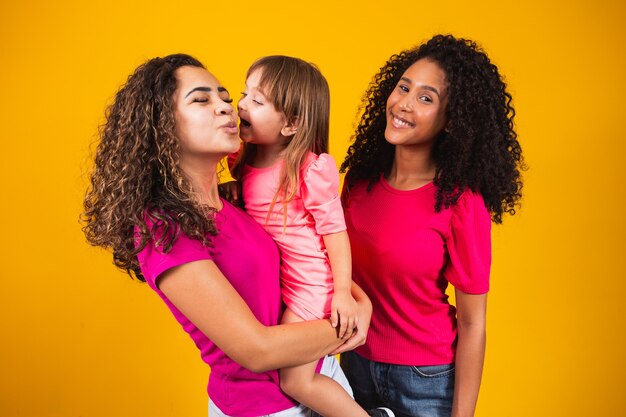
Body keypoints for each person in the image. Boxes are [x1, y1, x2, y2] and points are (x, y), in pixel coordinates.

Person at [81, 53, 374, 417]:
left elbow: (311, 251)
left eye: (224, 96)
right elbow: (257, 351)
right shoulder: (163, 229)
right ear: (162, 125)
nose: (227, 107)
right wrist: (352, 323)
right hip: (265, 409)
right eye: (201, 100)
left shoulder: (235, 199)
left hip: (322, 376)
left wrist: (356, 300)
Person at [340, 34, 525, 417]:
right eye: (403, 87)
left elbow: (473, 324)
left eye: (426, 98)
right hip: (351, 364)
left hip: (424, 380)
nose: (404, 103)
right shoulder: (358, 181)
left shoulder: (461, 203)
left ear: (451, 120)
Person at [230, 55, 391, 417]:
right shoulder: (244, 161)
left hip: (311, 287)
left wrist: (342, 293)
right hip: (285, 284)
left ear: (291, 123)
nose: (241, 105)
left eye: (257, 101)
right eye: (244, 94)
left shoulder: (308, 169)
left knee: (295, 382)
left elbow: (334, 231)